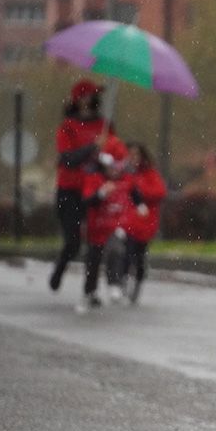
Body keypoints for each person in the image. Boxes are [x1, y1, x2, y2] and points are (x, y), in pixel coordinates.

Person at [50, 79, 113, 292]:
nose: (89, 100)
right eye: (85, 96)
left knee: (96, 242)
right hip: (69, 190)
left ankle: (90, 288)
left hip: (94, 190)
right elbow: (67, 159)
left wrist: (106, 157)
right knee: (73, 241)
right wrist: (92, 147)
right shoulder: (67, 127)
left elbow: (112, 155)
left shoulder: (104, 126)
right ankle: (60, 268)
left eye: (92, 95)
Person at [78, 136, 128, 314]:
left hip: (115, 227)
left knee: (116, 251)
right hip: (95, 229)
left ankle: (114, 283)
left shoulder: (125, 181)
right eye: (112, 167)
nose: (115, 172)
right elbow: (86, 201)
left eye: (118, 168)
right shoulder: (94, 179)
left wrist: (140, 206)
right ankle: (90, 292)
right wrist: (100, 194)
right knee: (93, 262)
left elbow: (135, 195)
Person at [119, 142, 166, 304]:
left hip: (144, 224)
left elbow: (159, 192)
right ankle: (123, 283)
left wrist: (140, 191)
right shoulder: (123, 173)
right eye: (130, 155)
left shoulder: (149, 174)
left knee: (138, 256)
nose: (133, 159)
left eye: (136, 155)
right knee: (126, 254)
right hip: (127, 223)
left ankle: (136, 283)